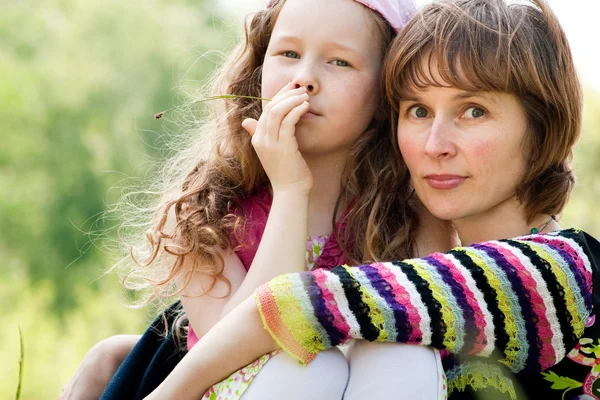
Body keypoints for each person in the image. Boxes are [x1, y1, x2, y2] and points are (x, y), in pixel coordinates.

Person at [144, 0, 600, 399]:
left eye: (473, 111)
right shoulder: (217, 211)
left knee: (388, 352)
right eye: (418, 111)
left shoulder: (562, 270)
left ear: (544, 129)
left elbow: (308, 306)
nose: (434, 144)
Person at [61, 0, 454, 399]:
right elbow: (234, 352)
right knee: (311, 364)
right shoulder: (204, 212)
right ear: (259, 68)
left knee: (407, 355)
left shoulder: (411, 215)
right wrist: (290, 190)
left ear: (384, 93)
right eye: (288, 53)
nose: (304, 78)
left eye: (340, 62)